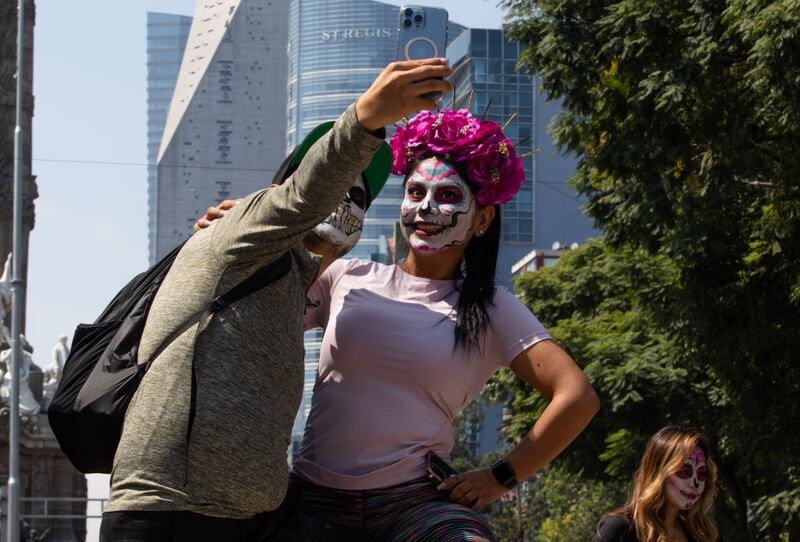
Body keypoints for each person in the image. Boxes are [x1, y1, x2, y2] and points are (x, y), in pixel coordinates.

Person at [200, 107, 601, 540]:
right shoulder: (342, 275)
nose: (426, 207)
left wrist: (501, 476)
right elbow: (247, 321)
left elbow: (576, 397)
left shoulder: (491, 308)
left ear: (482, 220)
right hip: (311, 502)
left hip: (416, 507)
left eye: (448, 196)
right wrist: (230, 236)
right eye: (415, 191)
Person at [100, 58, 453, 542]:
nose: (346, 203)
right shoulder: (245, 232)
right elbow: (304, 198)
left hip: (253, 516)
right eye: (338, 185)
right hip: (174, 513)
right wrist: (367, 117)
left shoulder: (295, 280)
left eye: (359, 198)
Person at [592, 426, 719, 542]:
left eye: (701, 473)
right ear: (658, 473)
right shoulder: (619, 528)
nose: (695, 483)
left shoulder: (697, 534)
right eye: (685, 472)